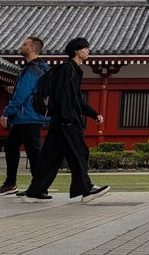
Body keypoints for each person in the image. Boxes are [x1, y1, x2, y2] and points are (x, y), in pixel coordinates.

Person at [19, 37, 109, 203]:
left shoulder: (72, 70)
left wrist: (93, 113)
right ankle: (85, 188)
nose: (88, 51)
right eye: (85, 48)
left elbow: (76, 99)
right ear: (76, 50)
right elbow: (64, 95)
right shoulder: (68, 69)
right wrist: (68, 119)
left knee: (50, 157)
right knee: (79, 152)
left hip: (59, 120)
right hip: (66, 120)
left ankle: (35, 192)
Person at [0, 36, 49, 195]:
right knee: (12, 146)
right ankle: (11, 183)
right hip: (28, 115)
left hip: (28, 116)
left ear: (31, 48)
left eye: (24, 44)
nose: (20, 46)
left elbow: (22, 94)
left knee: (34, 152)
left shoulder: (32, 69)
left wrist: (6, 112)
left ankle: (39, 187)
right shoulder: (42, 68)